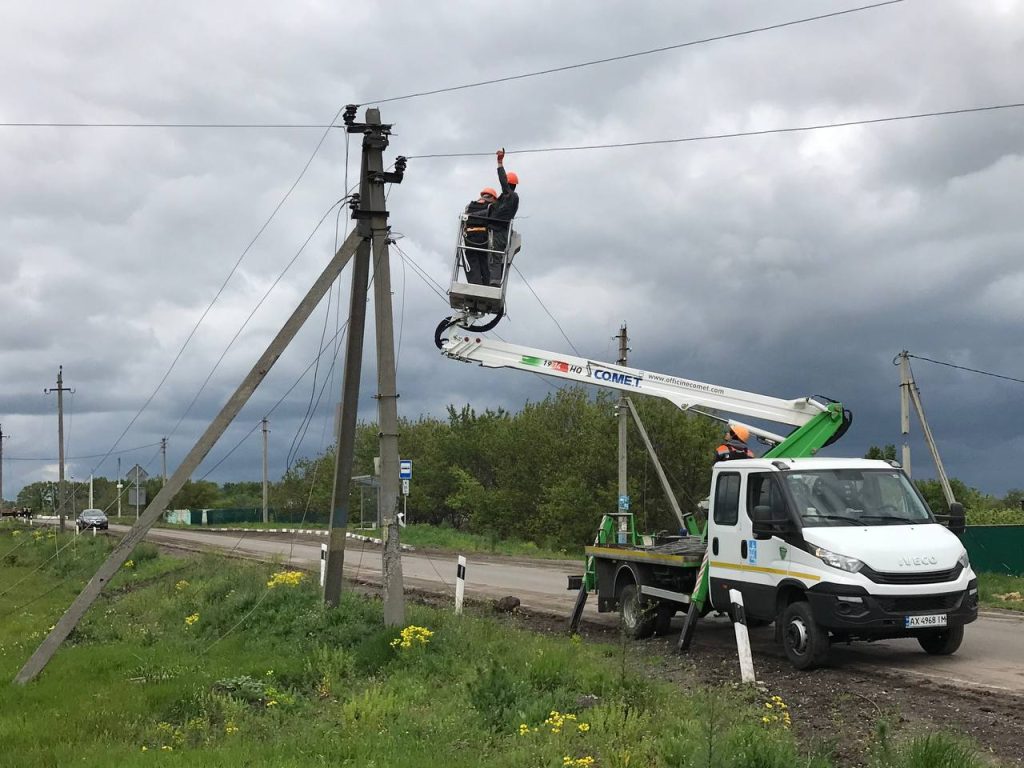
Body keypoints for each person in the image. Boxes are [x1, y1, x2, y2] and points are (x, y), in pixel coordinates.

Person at [488, 148, 520, 285]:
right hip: (499, 231)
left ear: (509, 184)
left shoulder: (511, 196)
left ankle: (494, 282)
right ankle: (493, 280)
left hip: (499, 232)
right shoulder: (508, 199)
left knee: (495, 256)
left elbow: (502, 181)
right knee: (495, 255)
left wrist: (500, 163)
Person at [463, 187, 497, 285]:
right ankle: (486, 284)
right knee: (484, 261)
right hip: (483, 238)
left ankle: (475, 284)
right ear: (493, 197)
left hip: (469, 237)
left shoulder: (469, 206)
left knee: (472, 260)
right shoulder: (490, 207)